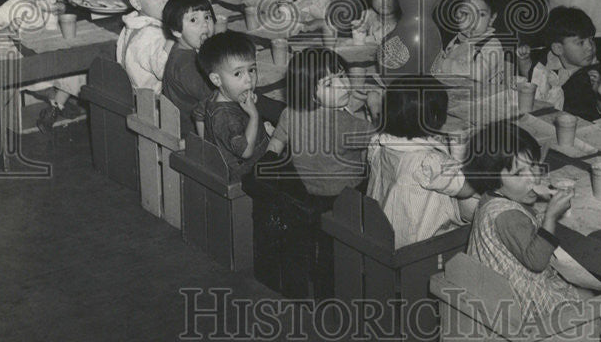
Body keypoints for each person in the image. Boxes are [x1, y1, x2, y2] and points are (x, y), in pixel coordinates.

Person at [463, 121, 583, 320]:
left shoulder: (492, 198)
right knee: (591, 298)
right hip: (521, 302)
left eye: (534, 166)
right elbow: (536, 262)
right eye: (519, 173)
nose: (533, 178)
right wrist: (551, 216)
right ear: (492, 178)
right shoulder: (508, 216)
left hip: (494, 289)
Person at [366, 76, 475, 248]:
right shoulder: (427, 161)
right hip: (420, 244)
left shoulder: (378, 143)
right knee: (476, 212)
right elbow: (466, 188)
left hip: (383, 233)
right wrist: (462, 155)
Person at [267, 47, 375, 199]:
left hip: (305, 191)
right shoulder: (346, 123)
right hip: (346, 195)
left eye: (342, 76)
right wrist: (375, 105)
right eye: (329, 84)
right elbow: (379, 137)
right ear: (311, 94)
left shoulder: (289, 113)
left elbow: (275, 144)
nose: (342, 85)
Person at [0, 0, 84, 135]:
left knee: (77, 66)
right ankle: (57, 103)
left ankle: (55, 107)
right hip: (25, 66)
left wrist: (56, 13)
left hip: (45, 59)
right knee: (70, 69)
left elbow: (51, 32)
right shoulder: (7, 10)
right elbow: (0, 40)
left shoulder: (40, 3)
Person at [194, 31, 283, 165]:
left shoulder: (216, 96)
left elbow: (198, 113)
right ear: (216, 79)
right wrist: (253, 116)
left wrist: (206, 143)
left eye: (252, 70)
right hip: (246, 172)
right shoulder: (226, 117)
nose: (248, 79)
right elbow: (246, 152)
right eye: (238, 74)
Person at [516, 6, 601, 121]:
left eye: (591, 39)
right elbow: (531, 79)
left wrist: (600, 92)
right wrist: (524, 60)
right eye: (581, 42)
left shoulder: (594, 73)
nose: (590, 47)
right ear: (558, 49)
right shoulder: (547, 60)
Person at [161, 0, 217, 137]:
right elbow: (217, 97)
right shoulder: (187, 64)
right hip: (194, 134)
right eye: (193, 20)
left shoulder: (183, 49)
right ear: (176, 31)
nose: (205, 24)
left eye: (207, 16)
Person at [116, 0, 174, 92]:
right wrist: (173, 36)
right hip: (155, 103)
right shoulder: (149, 35)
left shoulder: (133, 24)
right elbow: (164, 71)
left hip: (136, 95)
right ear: (136, 3)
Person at [430, 0, 506, 92]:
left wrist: (446, 65)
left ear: (491, 19)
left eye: (481, 15)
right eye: (465, 14)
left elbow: (480, 73)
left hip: (485, 97)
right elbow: (443, 60)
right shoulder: (458, 39)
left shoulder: (492, 44)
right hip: (458, 91)